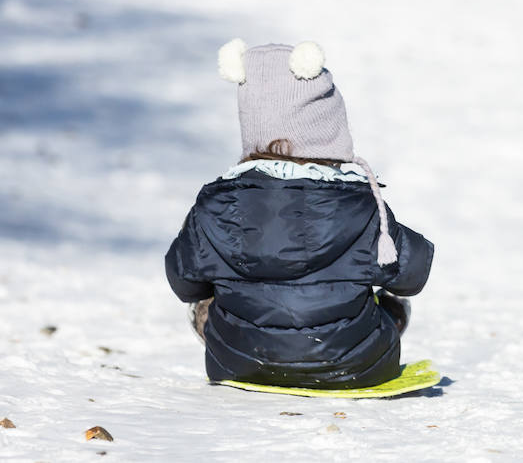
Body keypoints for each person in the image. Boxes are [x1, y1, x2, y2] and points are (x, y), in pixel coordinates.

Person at [166, 40, 433, 388]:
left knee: (207, 303)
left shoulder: (215, 203)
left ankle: (256, 357)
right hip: (353, 364)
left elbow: (183, 283)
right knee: (391, 302)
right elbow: (412, 276)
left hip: (238, 360)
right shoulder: (359, 203)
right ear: (329, 128)